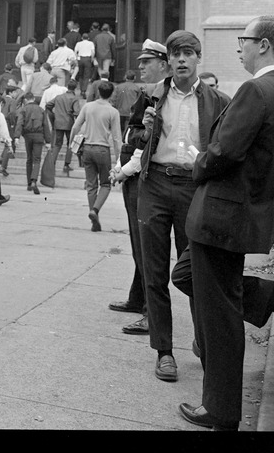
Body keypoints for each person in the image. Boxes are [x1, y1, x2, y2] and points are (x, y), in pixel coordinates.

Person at [171, 16, 274, 432]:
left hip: (223, 214)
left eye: (243, 40)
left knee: (219, 314)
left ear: (263, 45)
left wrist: (197, 163)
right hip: (240, 213)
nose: (239, 47)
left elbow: (222, 152)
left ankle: (222, 410)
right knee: (189, 276)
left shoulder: (256, 89)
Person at [135, 30, 230, 383]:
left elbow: (225, 147)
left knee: (196, 272)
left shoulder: (217, 100)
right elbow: (132, 139)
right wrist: (143, 132)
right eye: (175, 53)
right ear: (169, 60)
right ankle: (163, 351)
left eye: (188, 53)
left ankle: (203, 344)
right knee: (155, 272)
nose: (181, 59)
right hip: (156, 185)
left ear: (197, 59)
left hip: (194, 187)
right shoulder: (151, 94)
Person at [108, 40, 170, 336]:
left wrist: (123, 169)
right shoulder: (147, 93)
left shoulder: (160, 94)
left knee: (144, 244)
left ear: (163, 64)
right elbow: (134, 132)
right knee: (137, 239)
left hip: (140, 174)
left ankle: (149, 312)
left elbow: (143, 141)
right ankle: (137, 298)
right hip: (134, 172)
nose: (141, 66)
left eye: (147, 62)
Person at [70, 80, 122, 231]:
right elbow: (117, 138)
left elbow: (75, 126)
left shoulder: (88, 107)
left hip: (87, 148)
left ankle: (94, 217)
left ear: (98, 92)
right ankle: (96, 210)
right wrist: (119, 158)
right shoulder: (113, 111)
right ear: (111, 94)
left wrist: (72, 143)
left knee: (91, 184)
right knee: (105, 184)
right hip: (102, 149)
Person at [40, 80, 79, 186]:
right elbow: (76, 111)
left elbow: (48, 105)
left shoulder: (59, 97)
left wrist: (53, 116)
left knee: (57, 144)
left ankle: (52, 163)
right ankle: (66, 164)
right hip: (69, 123)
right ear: (75, 88)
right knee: (70, 144)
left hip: (58, 122)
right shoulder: (74, 98)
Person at [15, 91, 51, 195]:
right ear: (34, 99)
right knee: (37, 159)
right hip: (39, 136)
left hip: (28, 136)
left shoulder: (23, 109)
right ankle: (34, 181)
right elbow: (46, 126)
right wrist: (48, 141)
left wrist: (17, 137)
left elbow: (20, 123)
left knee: (29, 159)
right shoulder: (41, 110)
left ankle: (28, 183)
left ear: (25, 100)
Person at [110, 69, 143, 134]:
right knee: (128, 130)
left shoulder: (118, 87)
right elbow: (140, 102)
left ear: (125, 77)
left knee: (120, 130)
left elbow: (113, 100)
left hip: (120, 112)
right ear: (135, 78)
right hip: (131, 113)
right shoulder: (136, 88)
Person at [74, 32, 97, 96]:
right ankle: (84, 90)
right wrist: (92, 59)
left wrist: (76, 59)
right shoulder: (91, 43)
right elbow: (93, 52)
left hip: (80, 59)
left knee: (81, 75)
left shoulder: (78, 43)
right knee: (86, 76)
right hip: (87, 59)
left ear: (82, 38)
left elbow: (75, 52)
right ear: (88, 38)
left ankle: (81, 89)